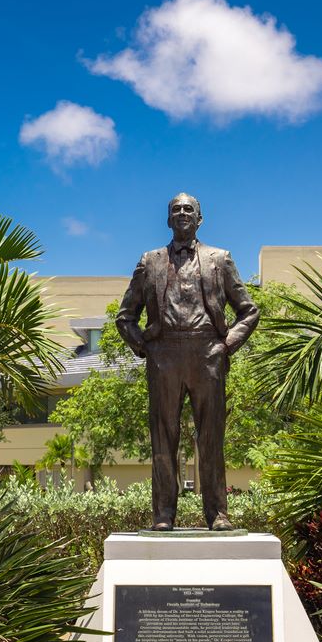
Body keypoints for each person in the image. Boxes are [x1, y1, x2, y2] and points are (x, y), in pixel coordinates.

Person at [115, 193, 259, 531]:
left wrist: (227, 346)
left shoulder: (219, 259)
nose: (182, 213)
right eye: (175, 210)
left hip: (208, 352)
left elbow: (248, 311)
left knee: (210, 437)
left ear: (199, 218)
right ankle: (163, 514)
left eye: (188, 209)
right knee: (163, 437)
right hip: (163, 355)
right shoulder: (150, 261)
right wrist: (143, 348)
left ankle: (217, 514)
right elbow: (125, 317)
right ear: (168, 219)